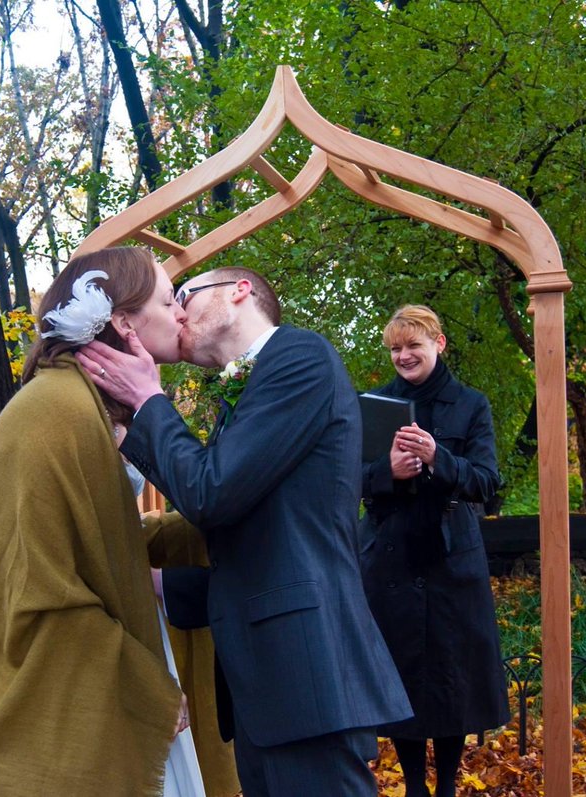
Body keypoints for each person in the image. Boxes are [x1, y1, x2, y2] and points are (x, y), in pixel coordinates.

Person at [77, 267, 412, 797]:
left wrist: (148, 402)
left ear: (238, 292)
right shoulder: (251, 386)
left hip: (305, 669)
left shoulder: (300, 357)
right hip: (268, 675)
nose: (178, 313)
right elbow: (251, 524)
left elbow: (212, 491)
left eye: (185, 296)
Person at [0, 247, 213, 797]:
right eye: (167, 300)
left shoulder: (86, 406)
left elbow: (102, 537)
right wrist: (145, 686)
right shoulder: (51, 413)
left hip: (112, 653)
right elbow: (39, 584)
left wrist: (212, 524)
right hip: (48, 702)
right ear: (123, 321)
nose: (181, 312)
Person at [358, 304, 509, 797]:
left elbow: (487, 482)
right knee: (400, 672)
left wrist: (437, 458)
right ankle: (413, 787)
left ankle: (445, 786)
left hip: (451, 561)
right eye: (396, 348)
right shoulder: (375, 403)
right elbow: (348, 480)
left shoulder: (471, 404)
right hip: (391, 558)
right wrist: (389, 472)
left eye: (413, 346)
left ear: (438, 343)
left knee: (450, 678)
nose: (403, 356)